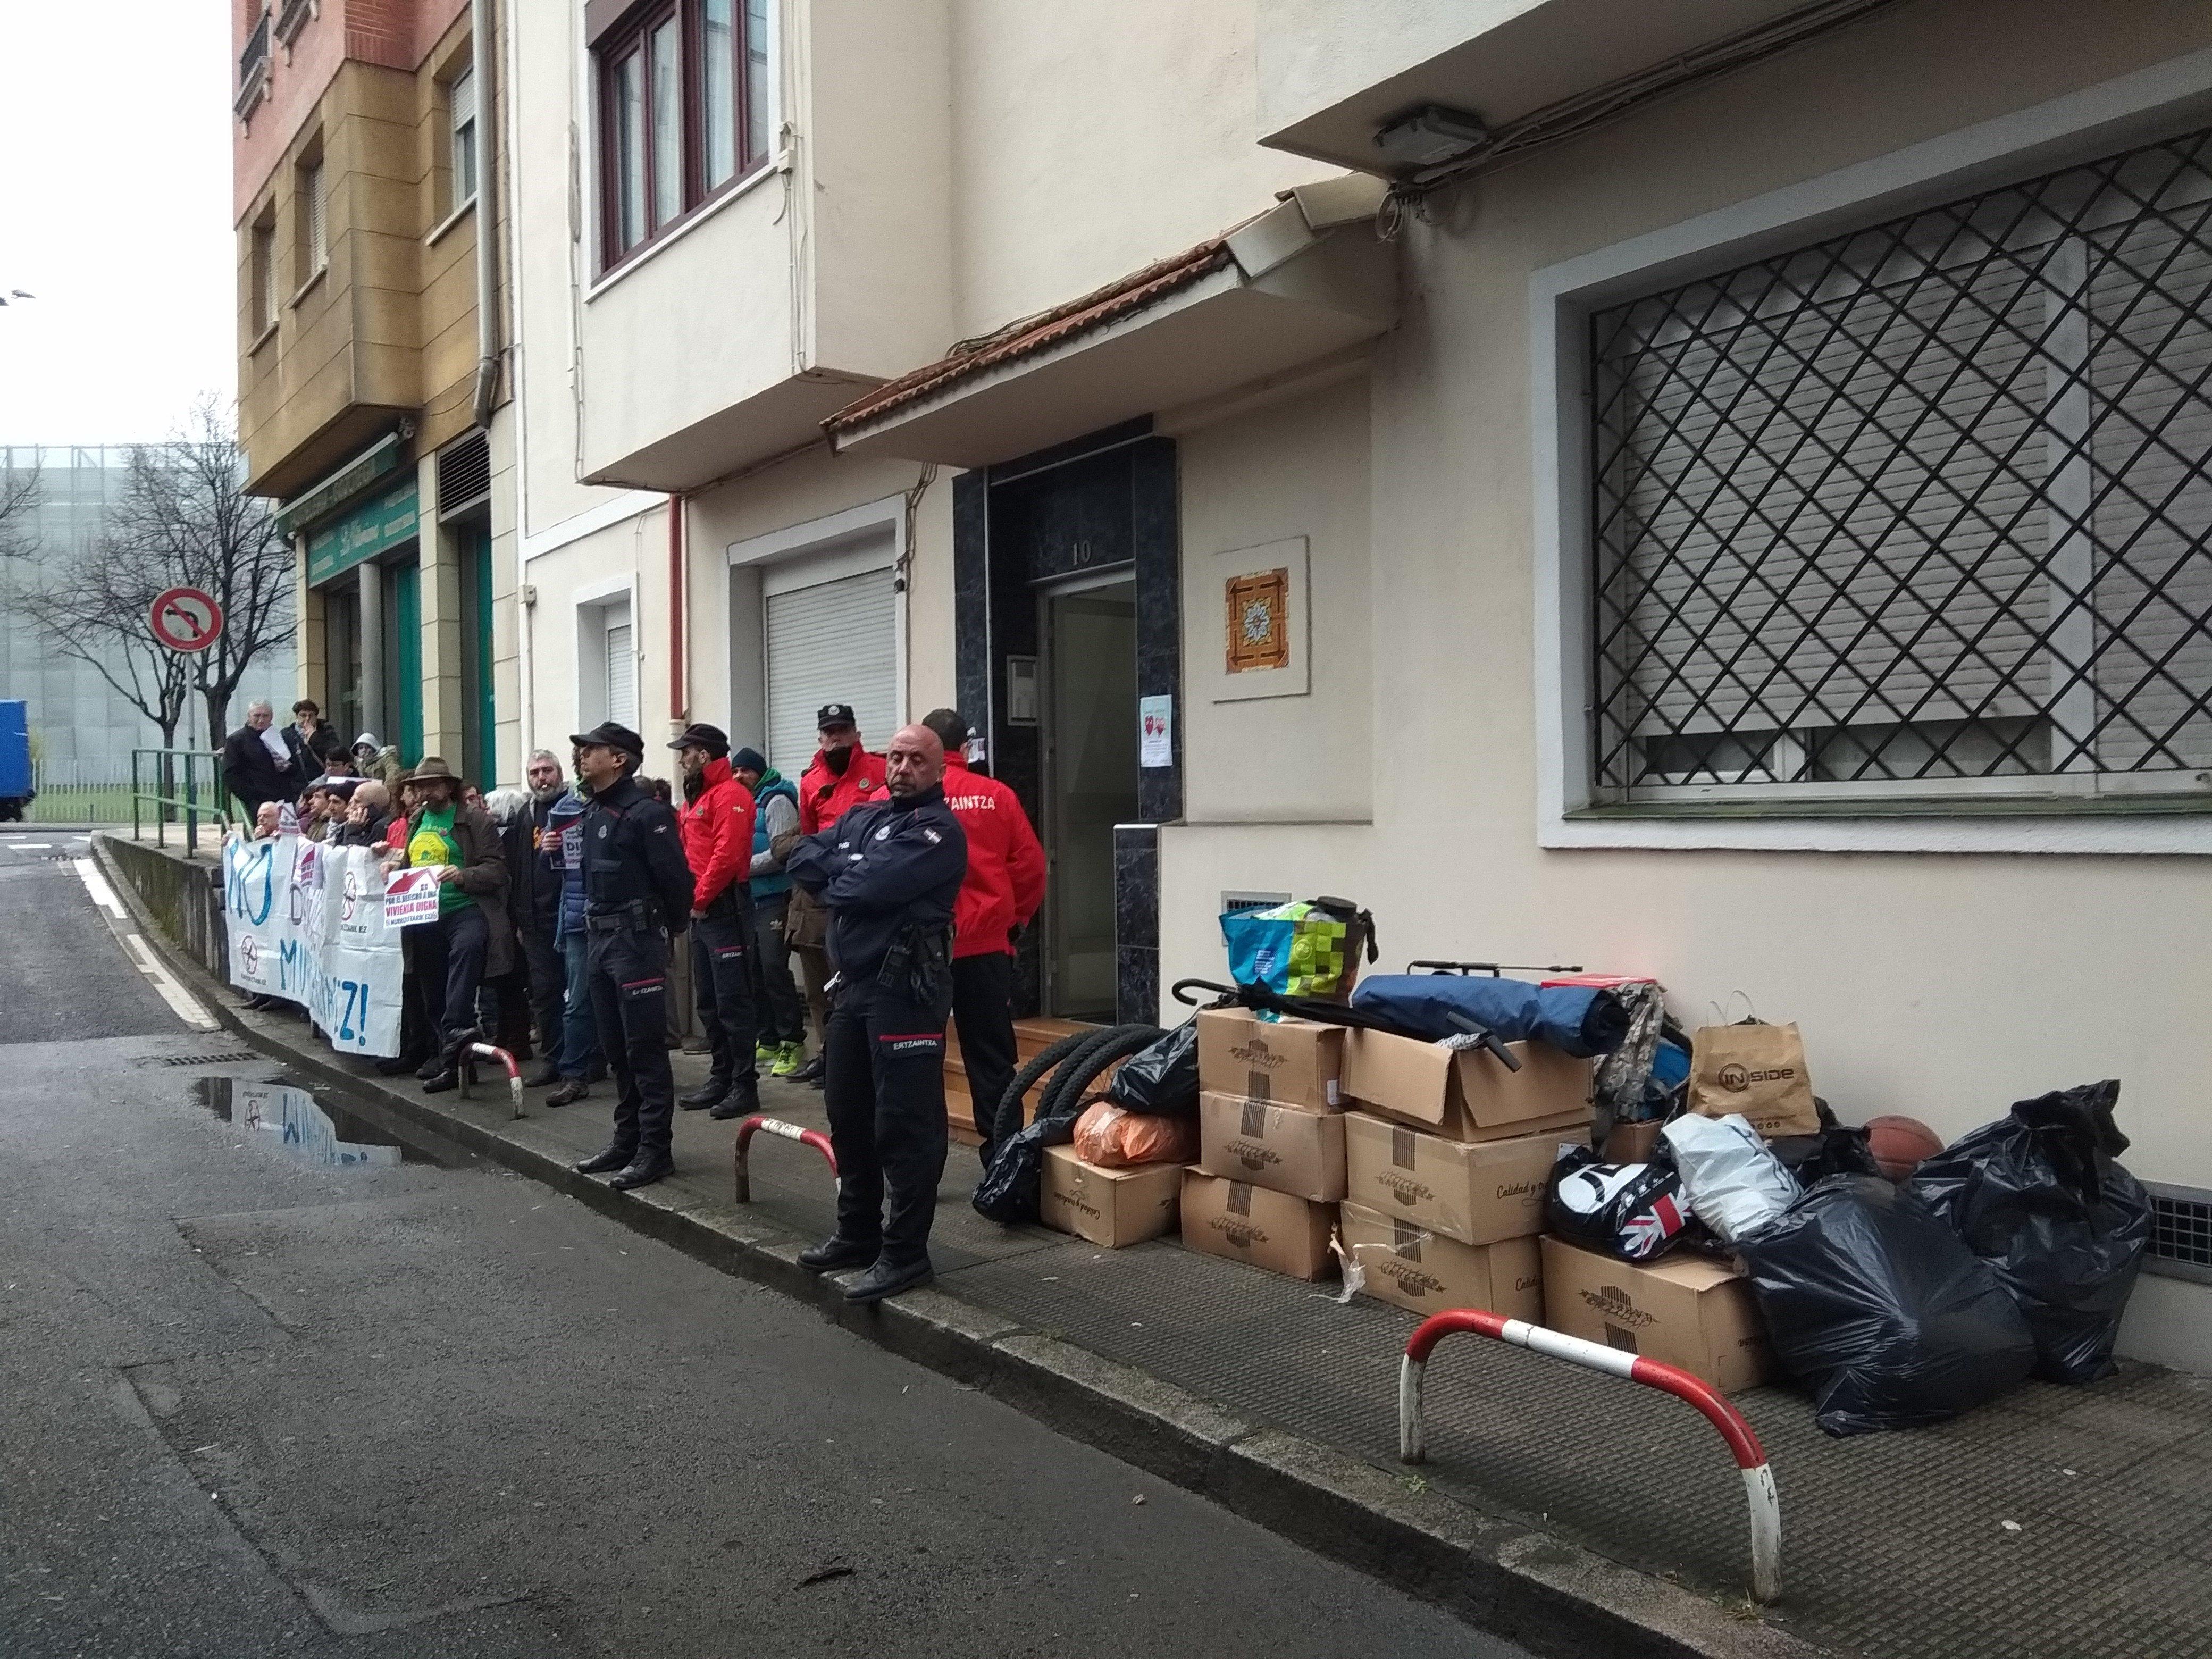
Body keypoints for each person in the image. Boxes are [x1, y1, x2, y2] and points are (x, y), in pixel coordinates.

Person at [787, 723, 967, 1303]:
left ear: (939, 770)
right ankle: (857, 1234)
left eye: (916, 759)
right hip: (853, 989)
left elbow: (867, 885)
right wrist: (851, 868)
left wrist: (845, 871)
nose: (902, 767)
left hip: (905, 991)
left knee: (904, 1126)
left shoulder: (939, 830)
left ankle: (905, 1254)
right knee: (849, 1114)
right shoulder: (864, 816)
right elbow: (802, 858)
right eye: (894, 757)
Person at [567, 722, 695, 1191]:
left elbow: (677, 880)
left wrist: (671, 927)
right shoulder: (595, 812)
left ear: (619, 758)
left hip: (635, 941)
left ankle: (655, 1151)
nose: (582, 755)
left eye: (592, 749)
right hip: (600, 939)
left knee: (645, 1050)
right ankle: (628, 1139)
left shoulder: (646, 814)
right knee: (616, 1049)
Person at [919, 709, 1046, 1165]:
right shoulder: (997, 796)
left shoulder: (911, 796)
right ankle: (1003, 1163)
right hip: (987, 946)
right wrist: (1014, 919)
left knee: (919, 1057)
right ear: (967, 748)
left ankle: (921, 1168)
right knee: (991, 1060)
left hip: (924, 949)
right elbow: (1030, 866)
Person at [395, 756, 514, 1094]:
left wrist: (463, 876)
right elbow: (411, 864)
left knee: (462, 974)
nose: (424, 793)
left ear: (449, 787)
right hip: (424, 915)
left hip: (466, 910)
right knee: (432, 990)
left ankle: (456, 1042)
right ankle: (457, 1065)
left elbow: (498, 870)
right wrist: (394, 869)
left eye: (432, 785)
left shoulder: (474, 820)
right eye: (419, 787)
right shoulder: (417, 819)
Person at [786, 705, 889, 1084]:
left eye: (843, 731)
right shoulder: (812, 780)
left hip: (868, 890)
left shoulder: (879, 771)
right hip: (827, 893)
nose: (836, 739)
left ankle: (859, 1059)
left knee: (855, 981)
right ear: (820, 739)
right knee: (820, 984)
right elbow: (810, 837)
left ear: (857, 734)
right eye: (829, 733)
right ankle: (829, 1054)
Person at [669, 723, 761, 1120]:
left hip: (724, 908)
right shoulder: (697, 798)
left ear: (704, 754)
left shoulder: (731, 796)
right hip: (703, 908)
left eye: (686, 751)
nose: (681, 758)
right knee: (709, 1001)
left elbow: (727, 855)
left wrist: (699, 899)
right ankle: (721, 1076)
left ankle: (745, 1085)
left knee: (733, 1002)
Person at [732, 745, 805, 1077]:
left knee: (774, 967)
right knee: (755, 970)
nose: (739, 777)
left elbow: (782, 853)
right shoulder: (749, 803)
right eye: (735, 772)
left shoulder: (777, 801)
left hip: (776, 896)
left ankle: (793, 1040)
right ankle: (769, 1038)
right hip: (753, 899)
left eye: (745, 771)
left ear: (759, 771)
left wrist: (741, 867)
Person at [542, 757, 600, 1108]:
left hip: (618, 919)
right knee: (577, 1001)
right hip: (580, 918)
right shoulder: (566, 808)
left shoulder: (629, 807)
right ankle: (574, 1075)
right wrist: (547, 852)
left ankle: (621, 1069)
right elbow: (554, 871)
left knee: (622, 1002)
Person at [513, 750, 571, 1087]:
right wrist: (519, 919)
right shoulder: (526, 814)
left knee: (579, 994)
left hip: (569, 916)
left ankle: (585, 1059)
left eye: (547, 770)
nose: (541, 778)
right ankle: (553, 1060)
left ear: (559, 773)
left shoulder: (574, 808)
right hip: (534, 921)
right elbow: (519, 868)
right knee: (545, 993)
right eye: (534, 772)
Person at [223, 700, 301, 818]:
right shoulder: (237, 740)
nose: (261, 720)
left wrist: (287, 767)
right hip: (256, 800)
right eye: (257, 716)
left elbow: (296, 767)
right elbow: (230, 773)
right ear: (249, 716)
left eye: (265, 716)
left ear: (272, 717)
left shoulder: (282, 736)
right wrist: (250, 798)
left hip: (284, 797)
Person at [284, 699, 346, 776]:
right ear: (297, 716)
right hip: (297, 782)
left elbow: (335, 754)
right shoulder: (287, 733)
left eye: (311, 715)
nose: (307, 719)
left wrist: (314, 737)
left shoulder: (326, 729)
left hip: (322, 778)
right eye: (303, 715)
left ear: (316, 717)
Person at [334, 780, 393, 845]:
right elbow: (338, 843)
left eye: (357, 802)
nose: (352, 807)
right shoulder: (364, 822)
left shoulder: (381, 826)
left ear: (373, 807)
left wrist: (352, 827)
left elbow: (357, 848)